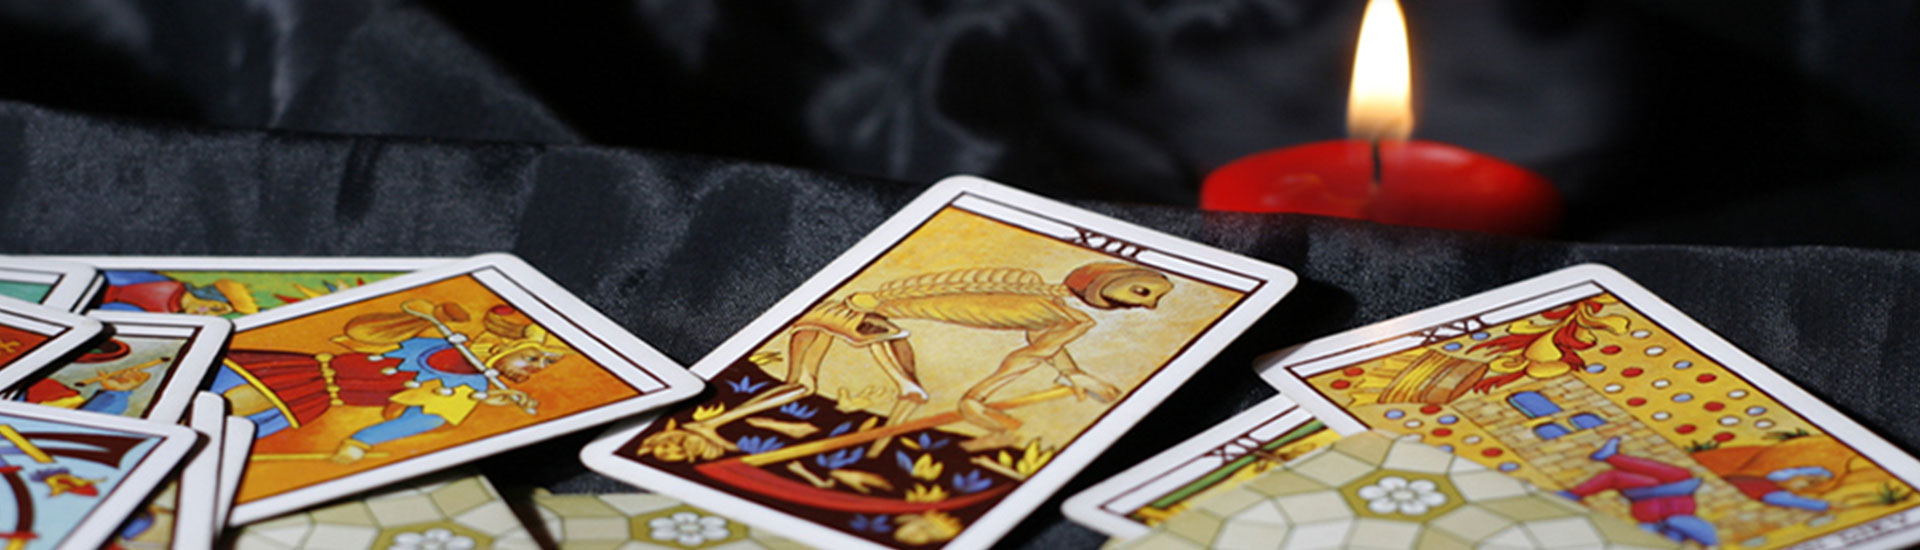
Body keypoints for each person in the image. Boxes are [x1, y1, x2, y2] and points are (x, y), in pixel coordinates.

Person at [211, 301, 569, 463]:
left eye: (545, 363)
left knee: (229, 418)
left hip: (317, 394)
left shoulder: (471, 389)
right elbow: (364, 333)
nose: (537, 367)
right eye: (533, 357)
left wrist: (361, 441)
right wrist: (420, 318)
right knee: (216, 389)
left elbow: (424, 420)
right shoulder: (435, 342)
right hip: (302, 368)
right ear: (507, 346)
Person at [1560, 437, 1719, 546]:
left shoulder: (1652, 529)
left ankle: (1607, 461)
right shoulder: (1685, 525)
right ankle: (1609, 458)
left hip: (1649, 499)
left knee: (1615, 477)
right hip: (1672, 492)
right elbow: (1708, 538)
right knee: (1675, 475)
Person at [97, 270, 258, 315]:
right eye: (215, 308)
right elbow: (112, 275)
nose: (207, 314)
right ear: (211, 295)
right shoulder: (163, 284)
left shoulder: (173, 314)